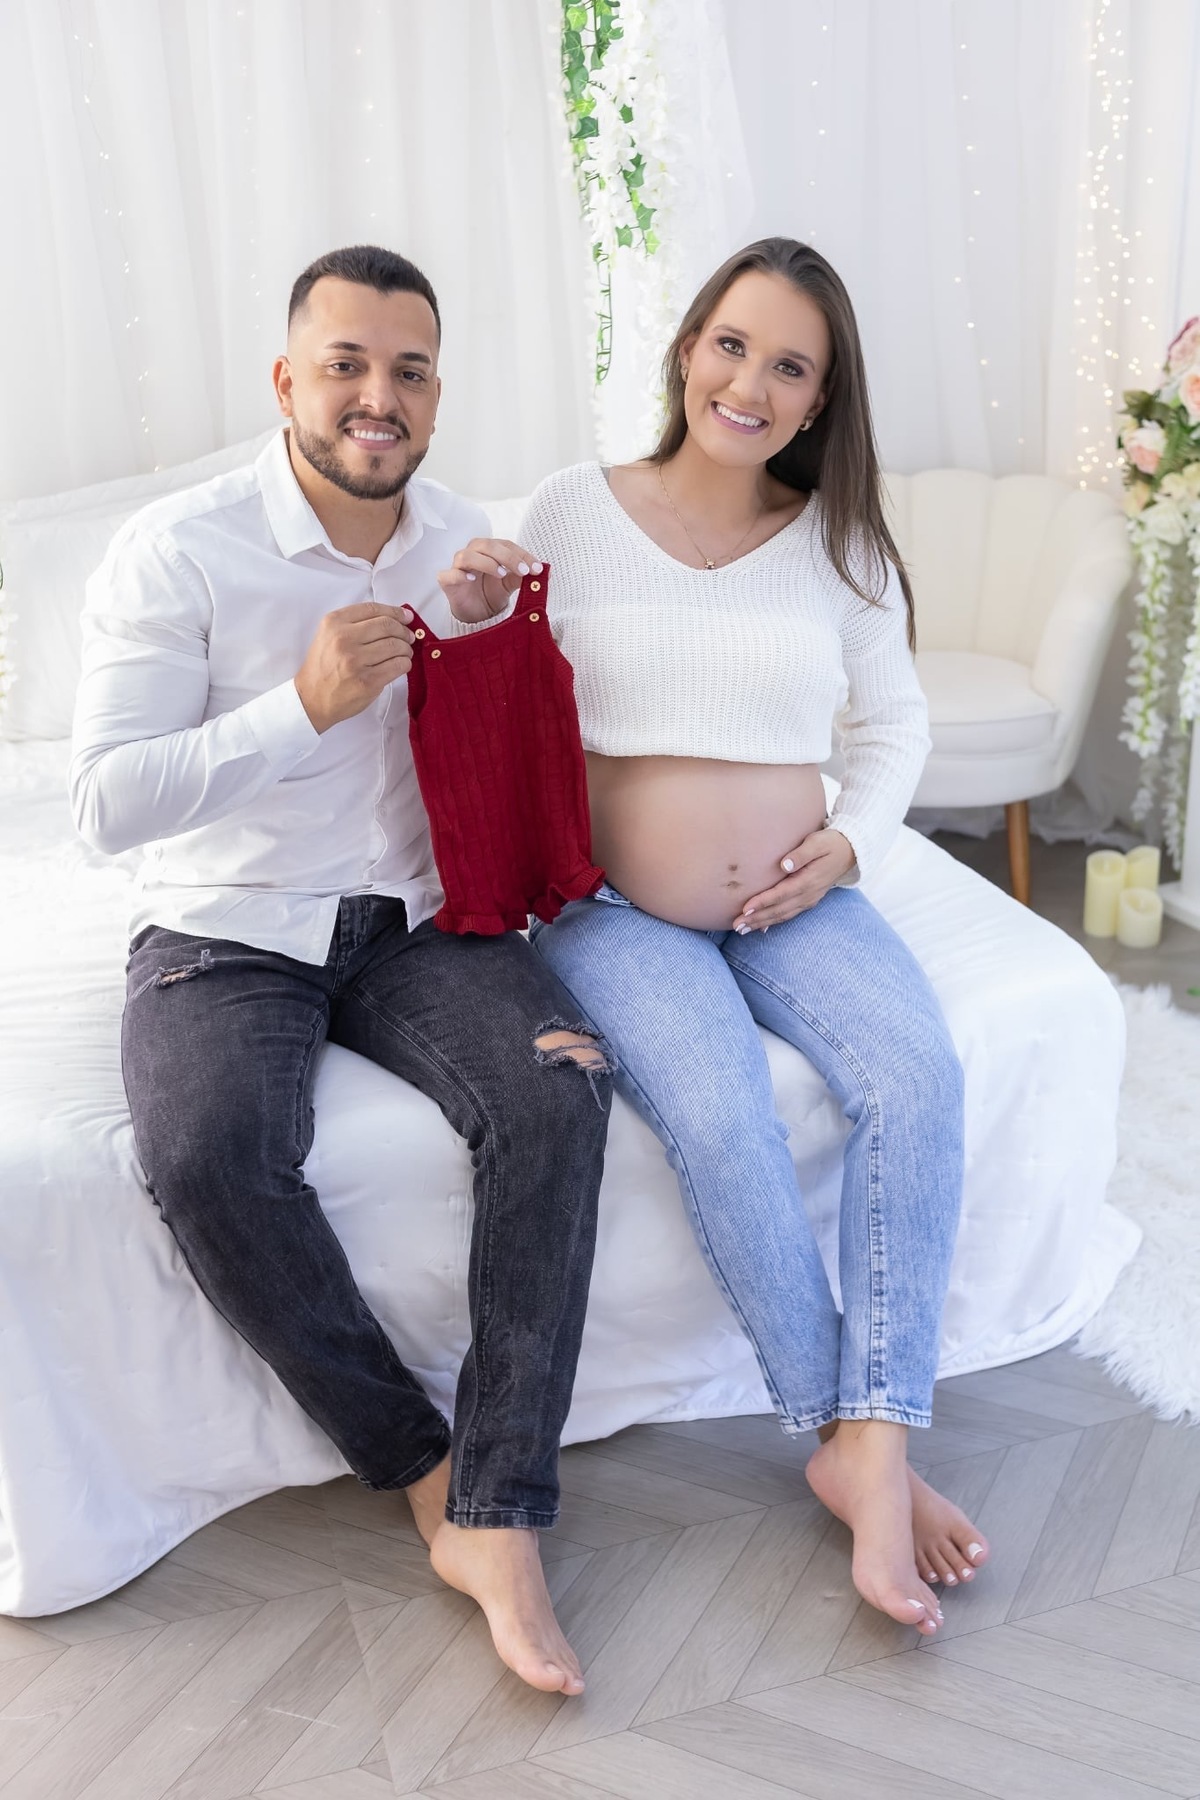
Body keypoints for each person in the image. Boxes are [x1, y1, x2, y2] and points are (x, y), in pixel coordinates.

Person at [69, 244, 614, 1695]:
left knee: (564, 1088)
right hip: (224, 923)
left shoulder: (457, 532)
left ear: (438, 392)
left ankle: (504, 1516)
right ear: (288, 382)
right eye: (349, 367)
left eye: (411, 370)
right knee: (207, 1155)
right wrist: (294, 708)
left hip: (414, 920)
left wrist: (491, 630)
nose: (381, 397)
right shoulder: (176, 549)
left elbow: (489, 732)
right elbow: (101, 805)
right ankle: (426, 1467)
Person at [439, 237, 989, 1638]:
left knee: (917, 1074)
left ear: (819, 402)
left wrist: (852, 842)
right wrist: (476, 607)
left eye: (790, 366)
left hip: (799, 900)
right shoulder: (573, 503)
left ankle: (874, 1435)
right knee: (725, 1113)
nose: (751, 381)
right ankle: (852, 1440)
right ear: (689, 349)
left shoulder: (840, 544)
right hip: (616, 912)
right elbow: (494, 674)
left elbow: (893, 722)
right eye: (732, 345)